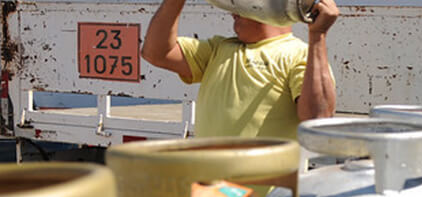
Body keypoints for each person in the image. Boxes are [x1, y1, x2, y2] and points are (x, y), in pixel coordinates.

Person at [141, 0, 338, 140]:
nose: (232, 12)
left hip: (267, 189)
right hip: (211, 187)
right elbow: (155, 53)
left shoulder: (300, 55)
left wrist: (318, 35)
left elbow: (318, 120)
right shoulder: (218, 48)